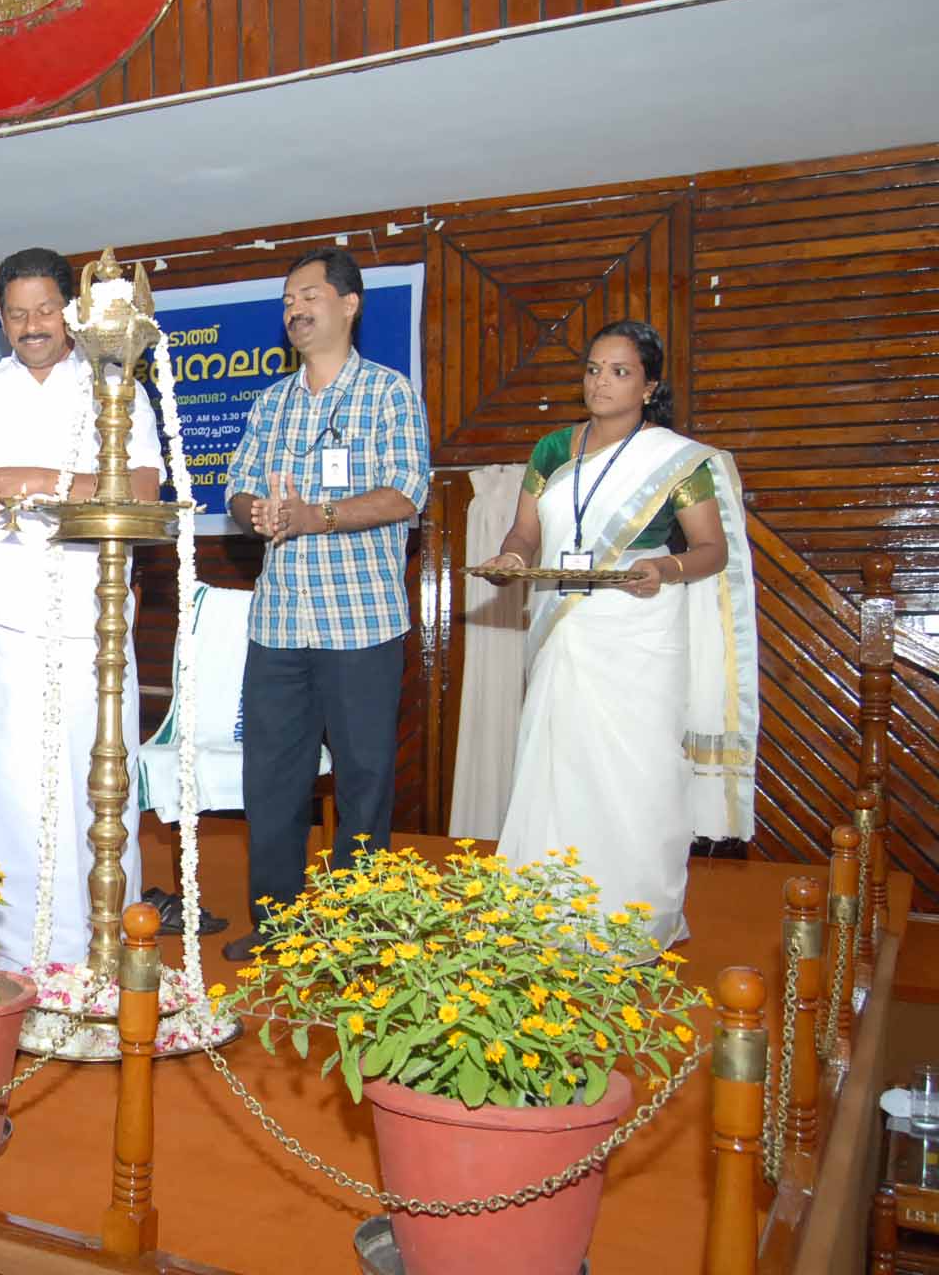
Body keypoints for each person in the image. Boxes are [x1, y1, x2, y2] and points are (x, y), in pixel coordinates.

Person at [476, 320, 757, 949]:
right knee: (558, 767)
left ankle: (634, 919)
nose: (601, 382)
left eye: (620, 372)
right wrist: (513, 559)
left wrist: (665, 568)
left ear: (649, 386)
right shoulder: (553, 449)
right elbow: (526, 532)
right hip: (564, 625)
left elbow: (711, 549)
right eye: (593, 369)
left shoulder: (676, 460)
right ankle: (549, 914)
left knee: (638, 773)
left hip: (640, 628)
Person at [0, 247, 161, 972]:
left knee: (92, 787)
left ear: (70, 313)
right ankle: (11, 959)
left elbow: (143, 491)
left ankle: (102, 948)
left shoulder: (113, 383)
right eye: (15, 314)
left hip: (91, 619)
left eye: (43, 311)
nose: (30, 325)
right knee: (4, 788)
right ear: (1, 321)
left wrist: (32, 478)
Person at [221, 246, 431, 962]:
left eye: (309, 295)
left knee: (364, 781)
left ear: (349, 304)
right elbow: (238, 488)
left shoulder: (388, 393)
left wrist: (319, 516)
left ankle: (356, 932)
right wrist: (256, 513)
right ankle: (276, 924)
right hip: (279, 623)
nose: (295, 309)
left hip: (361, 623)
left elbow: (406, 491)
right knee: (271, 780)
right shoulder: (271, 402)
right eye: (287, 301)